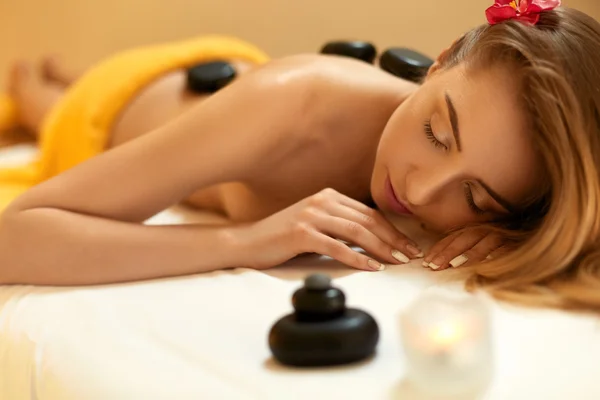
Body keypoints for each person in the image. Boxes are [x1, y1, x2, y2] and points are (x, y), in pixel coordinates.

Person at [0, 1, 598, 312]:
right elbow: (14, 237)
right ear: (438, 61)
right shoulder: (295, 106)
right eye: (438, 133)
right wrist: (246, 241)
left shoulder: (514, 184)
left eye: (475, 196)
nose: (419, 193)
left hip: (232, 89)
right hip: (121, 105)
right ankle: (42, 90)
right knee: (52, 109)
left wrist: (518, 237)